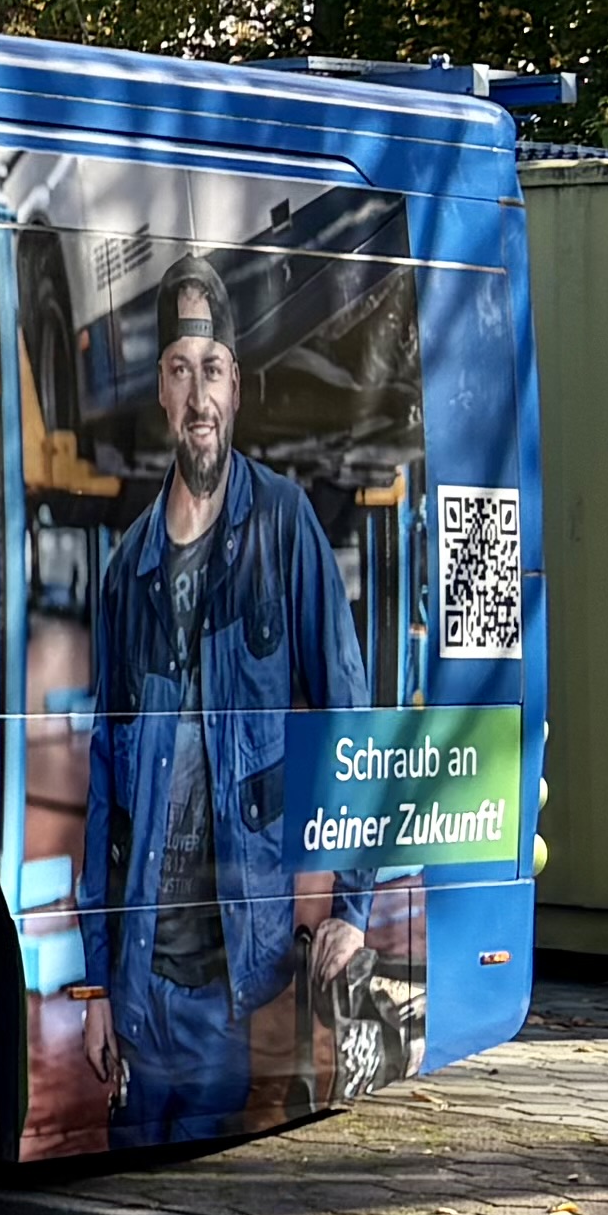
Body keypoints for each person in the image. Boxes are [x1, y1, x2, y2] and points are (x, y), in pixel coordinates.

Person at [74, 256, 369, 1150]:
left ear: (235, 386)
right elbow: (103, 789)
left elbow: (349, 719)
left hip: (237, 986)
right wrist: (97, 987)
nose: (198, 394)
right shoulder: (126, 571)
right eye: (179, 370)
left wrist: (351, 909)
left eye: (212, 370)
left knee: (209, 1193)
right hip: (138, 990)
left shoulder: (283, 526)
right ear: (161, 393)